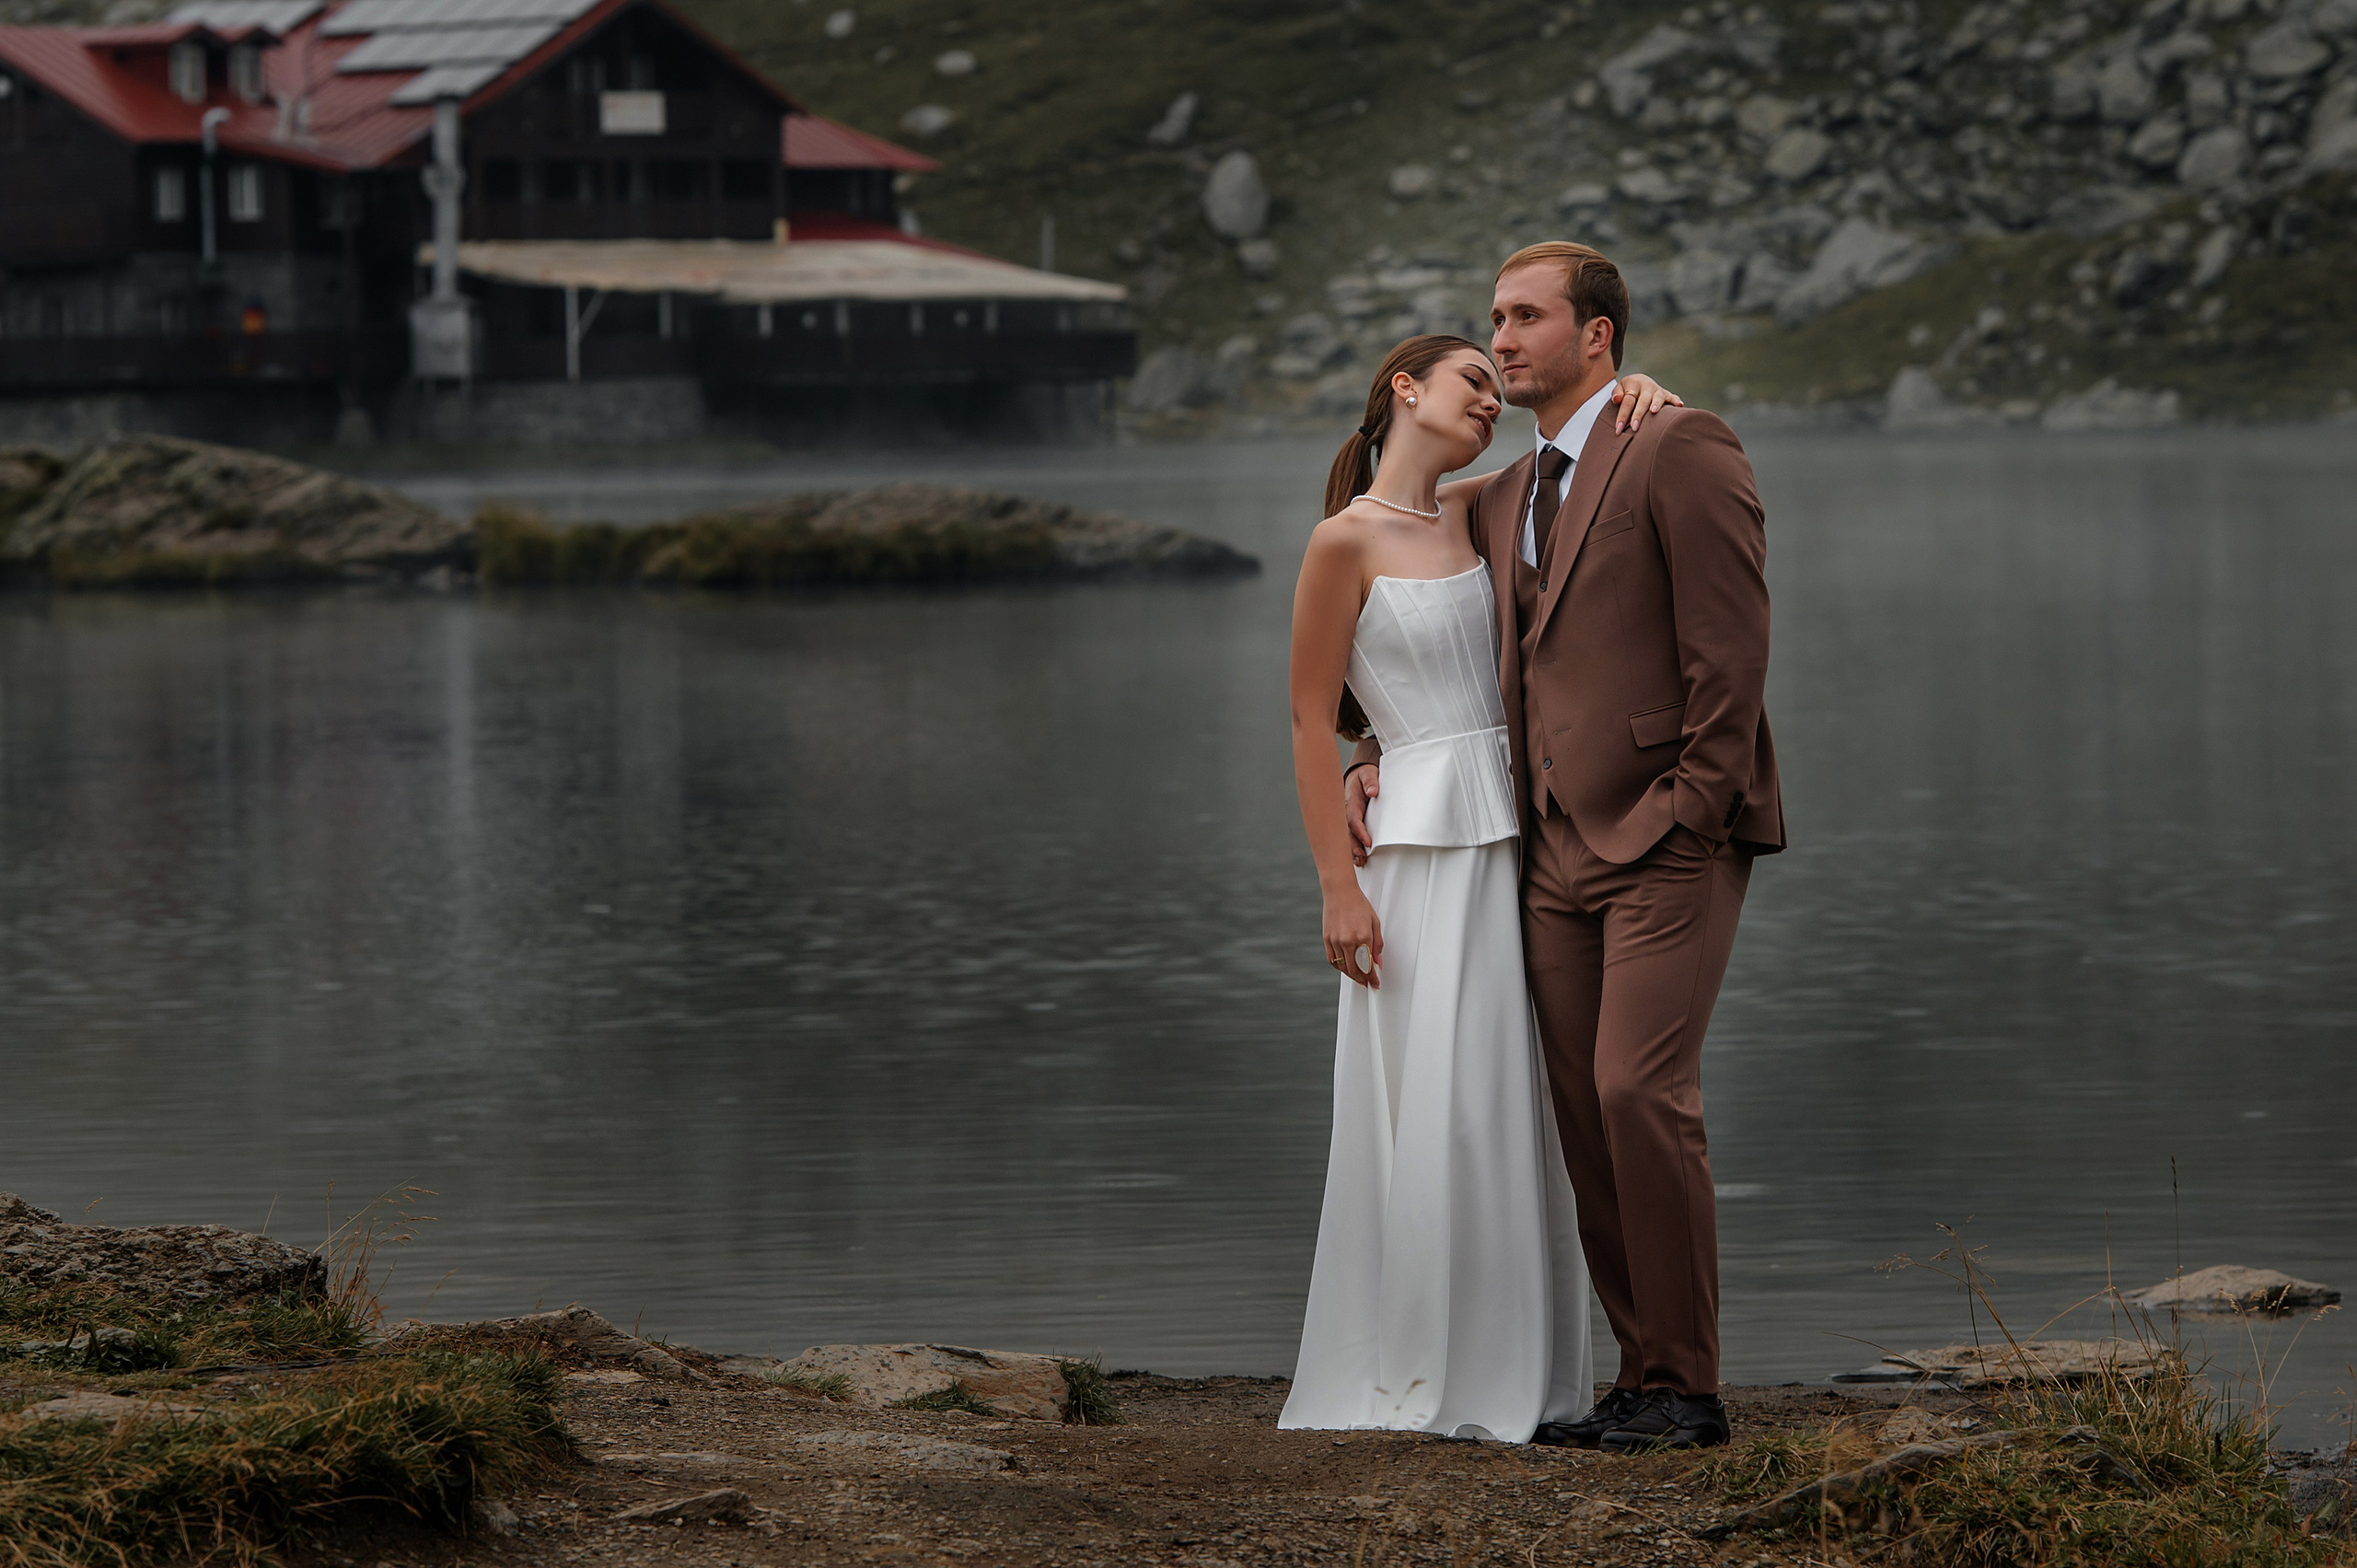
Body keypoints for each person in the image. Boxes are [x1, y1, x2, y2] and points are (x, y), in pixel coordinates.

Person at [1341, 244, 1782, 1453]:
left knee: (1645, 1090)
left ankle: (1687, 1385)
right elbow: (1392, 603)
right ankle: (1639, 1379)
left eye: (1527, 315)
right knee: (1585, 1109)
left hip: (1666, 836)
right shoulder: (1499, 493)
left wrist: (1685, 810)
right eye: (1494, 317)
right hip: (1543, 853)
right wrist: (1364, 753)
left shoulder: (1680, 444)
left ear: (1599, 337)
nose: (1502, 338)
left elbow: (1733, 658)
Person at [1277, 331, 1683, 1443]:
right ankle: (1416, 1363)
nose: (1493, 401)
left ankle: (1527, 1373)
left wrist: (1635, 386)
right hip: (1411, 858)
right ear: (1405, 388)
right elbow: (1315, 718)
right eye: (1474, 381)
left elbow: (1587, 452)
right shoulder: (1339, 540)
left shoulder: (1474, 510)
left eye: (1499, 390)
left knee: (1512, 1105)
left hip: (1515, 840)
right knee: (1431, 1109)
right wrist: (1334, 885)